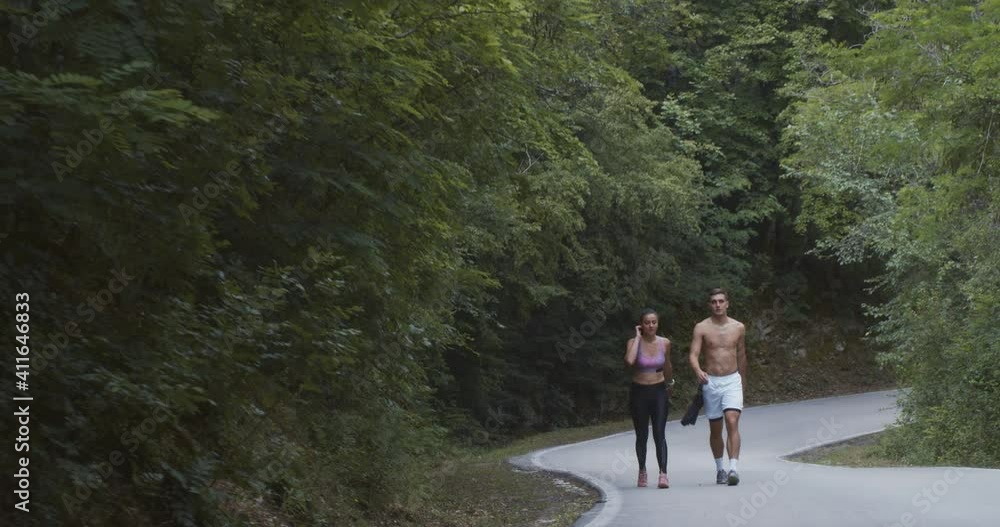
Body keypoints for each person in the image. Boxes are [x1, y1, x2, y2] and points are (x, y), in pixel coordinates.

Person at [688, 288, 747, 486]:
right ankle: (720, 468)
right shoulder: (701, 328)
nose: (718, 305)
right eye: (714, 302)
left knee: (732, 420)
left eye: (721, 301)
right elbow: (693, 355)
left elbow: (742, 355)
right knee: (715, 429)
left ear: (727, 303)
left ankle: (733, 469)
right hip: (711, 382)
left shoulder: (738, 327)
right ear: (710, 305)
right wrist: (698, 370)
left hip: (732, 380)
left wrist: (743, 381)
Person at [623, 308, 674, 488]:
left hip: (659, 390)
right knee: (642, 434)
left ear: (658, 324)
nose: (651, 325)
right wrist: (637, 337)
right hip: (639, 392)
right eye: (647, 323)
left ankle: (663, 474)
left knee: (659, 432)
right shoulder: (633, 342)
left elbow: (667, 365)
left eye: (654, 322)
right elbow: (629, 361)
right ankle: (642, 470)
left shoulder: (664, 343)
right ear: (641, 325)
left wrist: (670, 383)